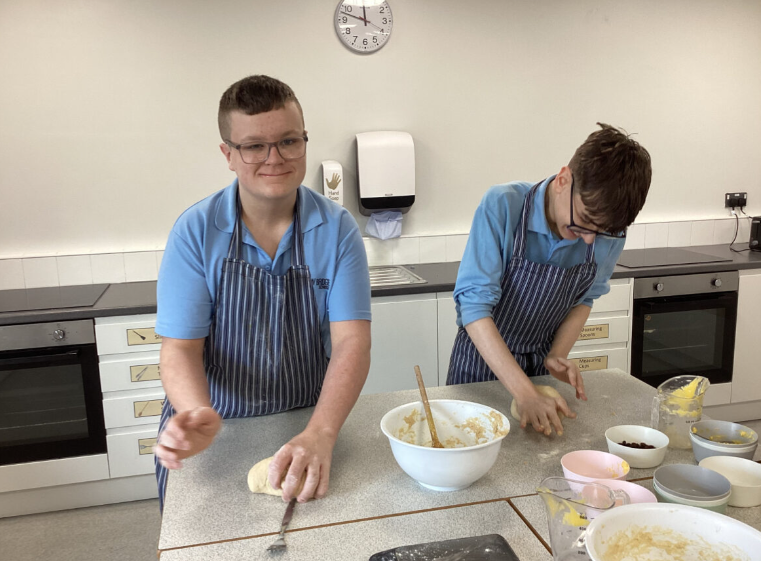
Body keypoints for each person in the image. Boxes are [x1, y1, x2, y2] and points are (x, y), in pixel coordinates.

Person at [153, 75, 372, 510]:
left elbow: (352, 342)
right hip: (216, 424)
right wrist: (196, 414)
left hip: (306, 422)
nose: (275, 158)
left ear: (304, 141)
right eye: (254, 146)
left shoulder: (337, 230)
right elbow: (180, 347)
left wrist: (321, 432)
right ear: (228, 155)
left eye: (288, 141)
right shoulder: (196, 231)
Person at [447, 123, 651, 437]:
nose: (589, 240)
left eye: (601, 232)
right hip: (479, 366)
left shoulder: (609, 234)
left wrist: (557, 354)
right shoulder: (504, 206)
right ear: (563, 180)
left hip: (539, 369)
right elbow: (474, 308)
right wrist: (524, 392)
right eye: (584, 221)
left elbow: (584, 298)